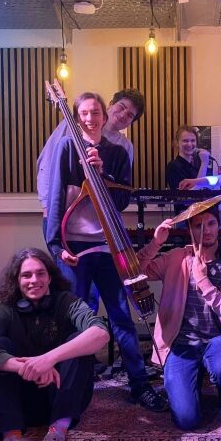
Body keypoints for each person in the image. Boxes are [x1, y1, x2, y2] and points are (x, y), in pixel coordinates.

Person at [46, 91, 167, 413]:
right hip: (74, 245)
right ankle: (72, 387)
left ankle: (140, 385)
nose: (90, 118)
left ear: (103, 114)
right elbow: (56, 197)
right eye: (84, 113)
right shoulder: (66, 147)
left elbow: (122, 200)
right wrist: (56, 246)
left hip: (108, 244)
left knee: (121, 315)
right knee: (75, 317)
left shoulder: (118, 152)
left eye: (95, 112)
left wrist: (103, 175)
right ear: (76, 117)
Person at [0, 248, 110, 441]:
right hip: (23, 403)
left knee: (79, 342)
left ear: (50, 277)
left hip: (62, 396)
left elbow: (101, 333)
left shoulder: (66, 301)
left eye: (40, 273)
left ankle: (54, 439)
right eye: (26, 275)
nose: (34, 280)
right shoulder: (5, 309)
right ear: (16, 280)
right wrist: (24, 367)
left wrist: (48, 359)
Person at [37, 88, 145, 311]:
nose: (123, 115)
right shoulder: (71, 128)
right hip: (66, 223)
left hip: (99, 230)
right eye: (121, 107)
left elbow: (120, 190)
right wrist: (48, 206)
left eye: (130, 115)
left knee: (101, 295)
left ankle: (92, 329)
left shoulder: (124, 147)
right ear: (110, 106)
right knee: (73, 292)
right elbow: (46, 164)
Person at [137, 206, 221, 430]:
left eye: (211, 223)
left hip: (217, 340)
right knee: (186, 420)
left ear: (219, 225)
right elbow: (135, 272)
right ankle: (194, 375)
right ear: (189, 230)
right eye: (198, 226)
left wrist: (203, 281)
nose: (206, 231)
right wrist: (156, 242)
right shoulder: (177, 257)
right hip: (182, 344)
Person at [165, 125, 212, 215]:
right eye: (185, 141)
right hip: (186, 216)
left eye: (193, 140)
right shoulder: (173, 166)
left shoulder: (197, 164)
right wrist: (204, 163)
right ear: (177, 143)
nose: (190, 144)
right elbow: (193, 194)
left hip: (205, 214)